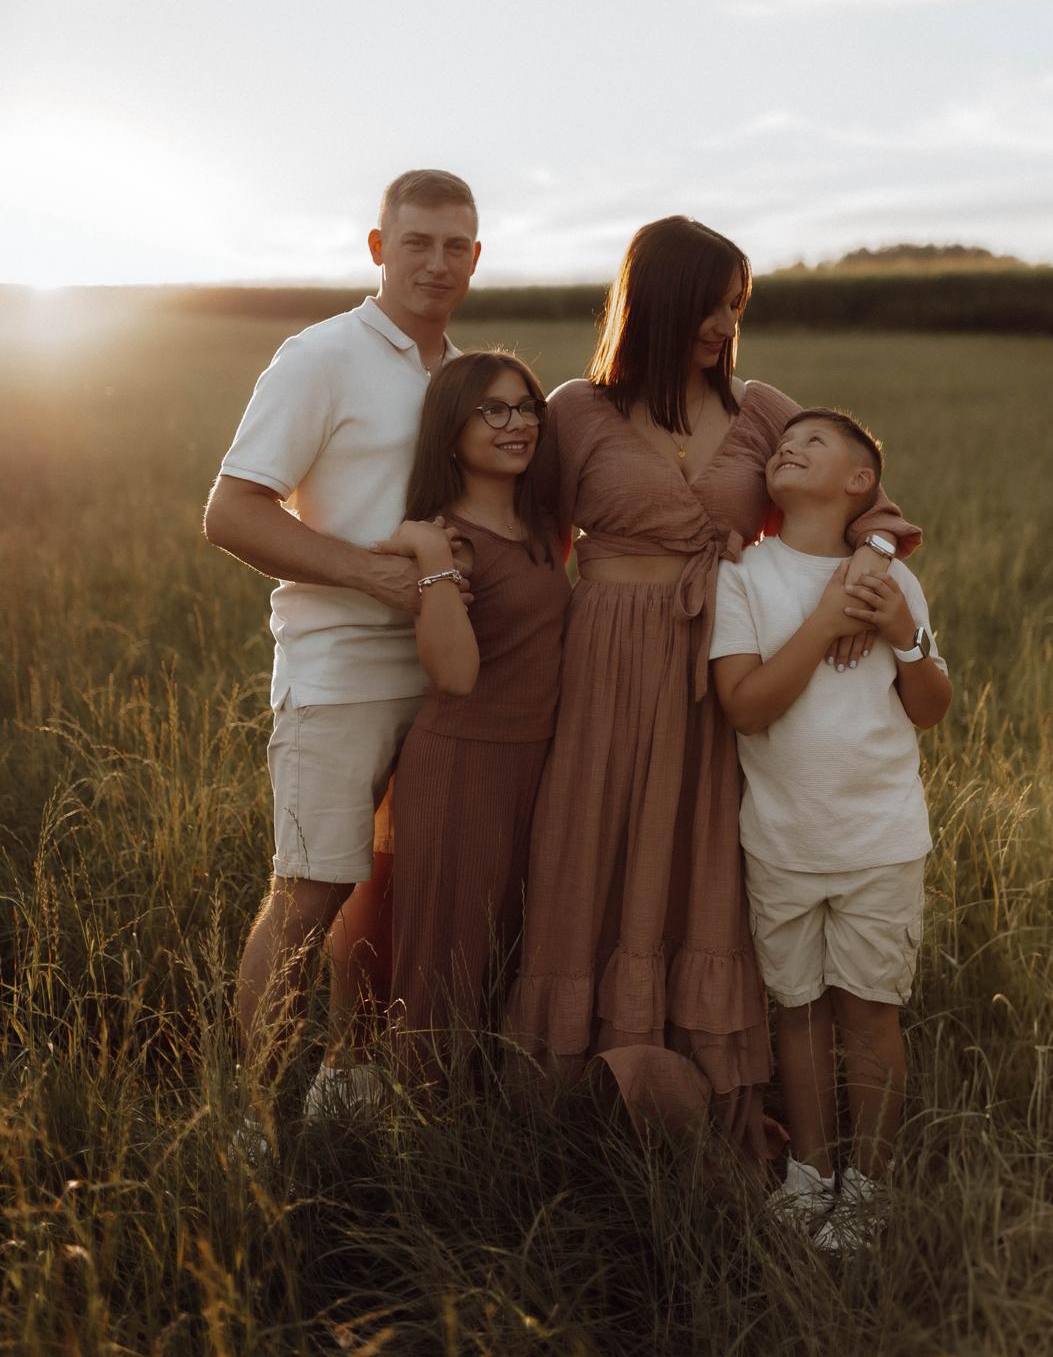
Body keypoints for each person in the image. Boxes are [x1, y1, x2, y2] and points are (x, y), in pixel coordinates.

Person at [505, 216, 921, 1159]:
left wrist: (871, 563)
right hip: (605, 672)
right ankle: (577, 1095)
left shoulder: (762, 407)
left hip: (722, 669)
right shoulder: (575, 410)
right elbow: (528, 539)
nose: (727, 322)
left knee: (704, 870)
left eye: (740, 304)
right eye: (713, 301)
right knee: (595, 854)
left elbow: (869, 496)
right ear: (656, 296)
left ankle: (700, 1095)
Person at [202, 169, 480, 1107]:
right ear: (377, 248)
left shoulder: (465, 377)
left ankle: (348, 1084)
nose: (436, 263)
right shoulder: (319, 356)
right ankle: (248, 1119)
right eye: (416, 243)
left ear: (476, 259)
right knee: (311, 891)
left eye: (455, 247)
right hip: (338, 669)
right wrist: (368, 572)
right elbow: (231, 511)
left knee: (394, 892)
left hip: (445, 673)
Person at [710, 409, 950, 1243]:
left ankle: (868, 1191)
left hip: (878, 839)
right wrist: (822, 625)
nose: (790, 446)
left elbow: (929, 708)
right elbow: (745, 707)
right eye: (784, 441)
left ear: (861, 483)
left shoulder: (886, 579)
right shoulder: (743, 577)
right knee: (800, 1011)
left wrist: (899, 635)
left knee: (870, 1013)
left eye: (816, 442)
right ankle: (811, 1175)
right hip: (780, 837)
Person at [368, 352, 571, 1070]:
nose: (517, 424)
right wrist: (430, 554)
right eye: (494, 410)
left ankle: (486, 1118)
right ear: (451, 432)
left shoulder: (544, 523)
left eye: (526, 407)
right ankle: (417, 1135)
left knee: (509, 950)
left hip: (538, 765)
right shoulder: (450, 539)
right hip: (462, 764)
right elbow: (454, 674)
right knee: (443, 960)